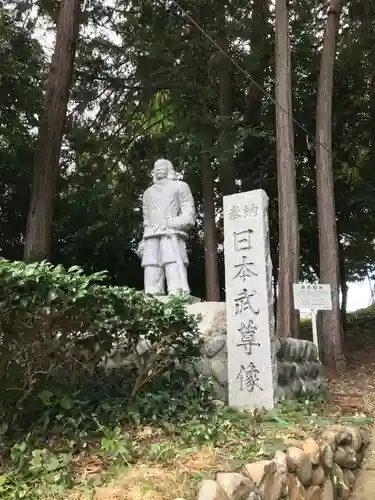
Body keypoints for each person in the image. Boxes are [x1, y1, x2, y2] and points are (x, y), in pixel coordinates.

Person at [137, 158, 195, 296]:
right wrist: (143, 240)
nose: (158, 168)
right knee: (151, 264)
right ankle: (152, 293)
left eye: (162, 165)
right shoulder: (148, 193)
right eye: (155, 166)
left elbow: (189, 215)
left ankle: (176, 292)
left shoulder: (180, 186)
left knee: (172, 261)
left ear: (169, 168)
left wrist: (173, 222)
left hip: (171, 232)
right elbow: (146, 220)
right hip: (151, 234)